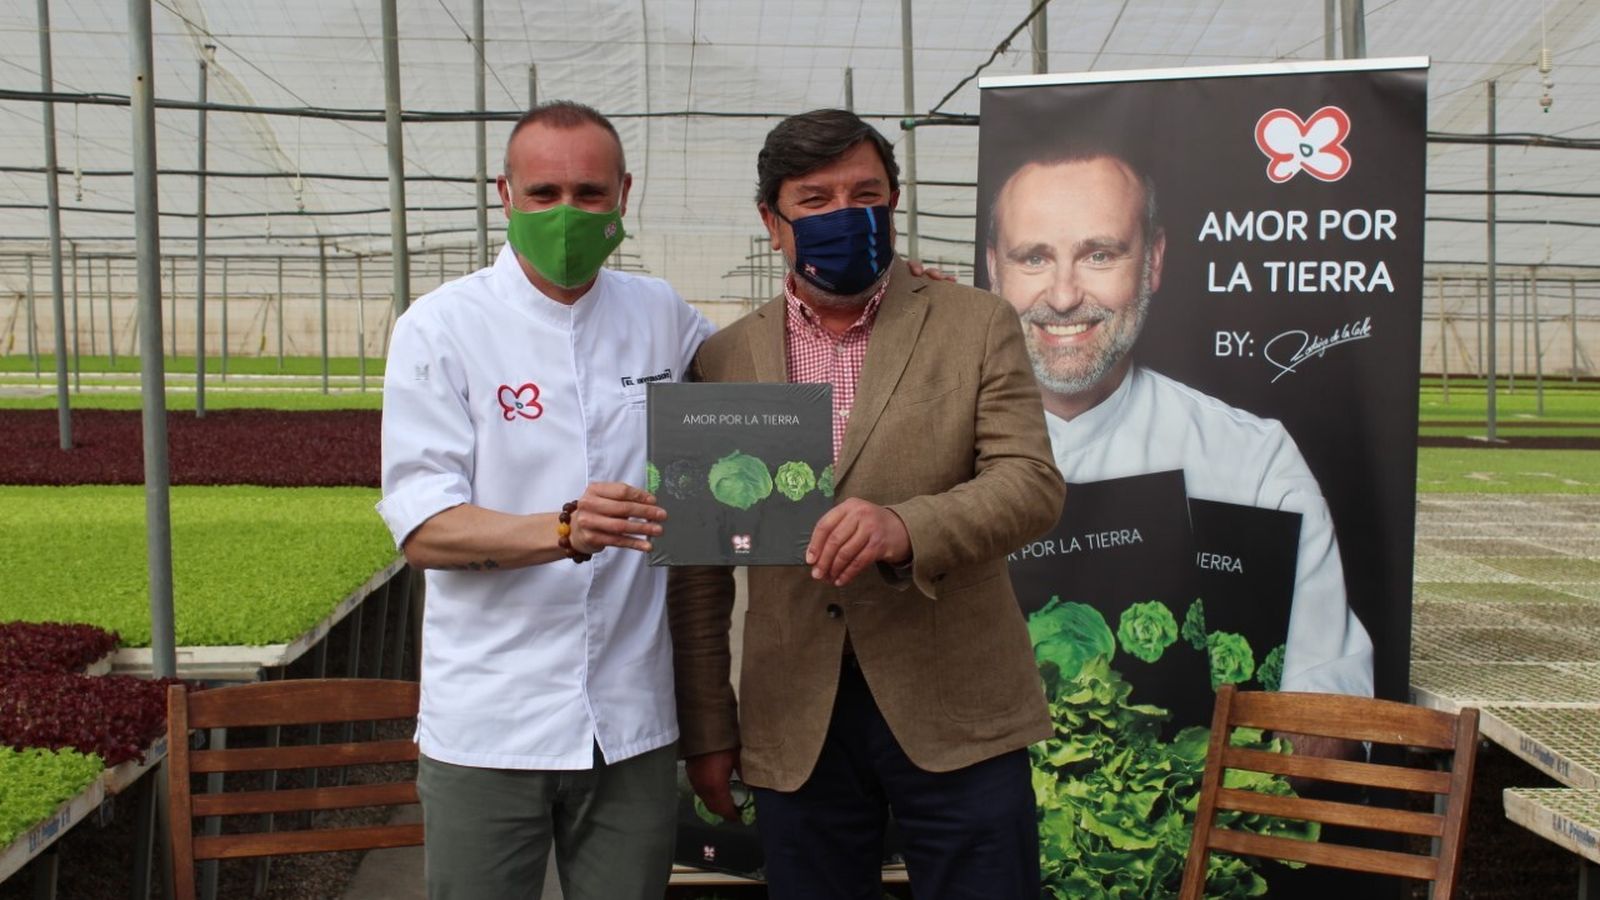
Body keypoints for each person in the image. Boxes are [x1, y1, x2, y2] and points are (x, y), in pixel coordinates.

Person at [668, 108, 1065, 899]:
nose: (845, 216)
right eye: (814, 201)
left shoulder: (974, 322)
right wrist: (710, 728)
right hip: (795, 714)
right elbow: (701, 568)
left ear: (893, 202)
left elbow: (1030, 483)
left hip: (958, 704)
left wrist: (908, 525)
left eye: (866, 193)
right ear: (771, 222)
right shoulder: (722, 358)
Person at [376, 100, 714, 900]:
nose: (568, 213)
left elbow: (763, 367)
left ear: (623, 194)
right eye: (544, 194)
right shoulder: (442, 329)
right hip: (491, 725)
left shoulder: (659, 313)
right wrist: (563, 528)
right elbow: (424, 526)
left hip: (629, 723)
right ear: (505, 194)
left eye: (589, 194)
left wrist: (883, 302)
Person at [984, 143, 1374, 702]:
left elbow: (1328, 692)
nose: (1065, 295)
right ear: (995, 269)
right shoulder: (923, 453)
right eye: (1034, 259)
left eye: (1099, 255)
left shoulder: (1253, 461)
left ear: (1154, 261)